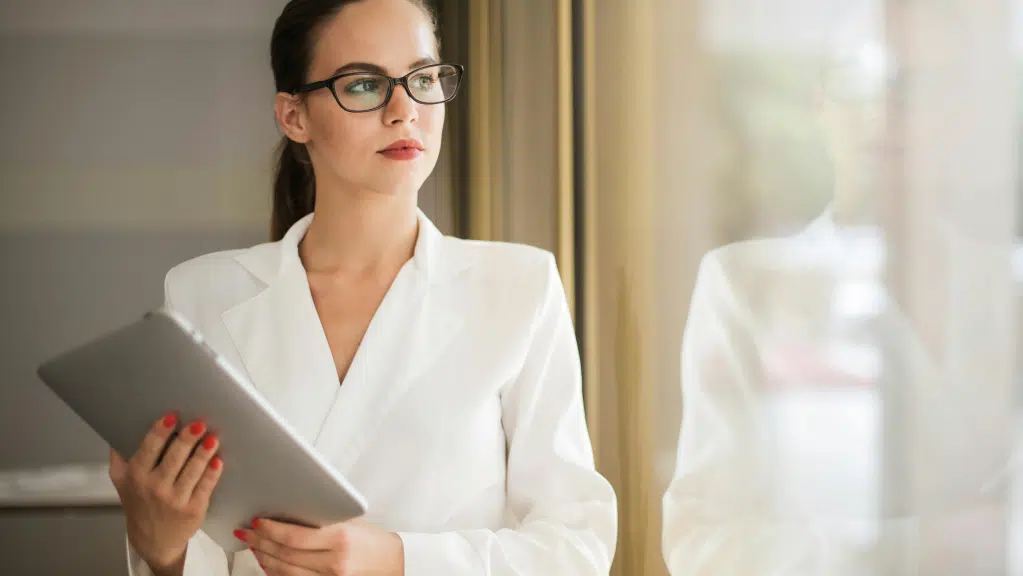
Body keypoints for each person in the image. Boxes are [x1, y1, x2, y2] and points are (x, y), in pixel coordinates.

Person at [107, 1, 618, 574]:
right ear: (294, 116)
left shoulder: (518, 288)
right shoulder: (204, 293)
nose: (405, 111)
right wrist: (162, 548)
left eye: (423, 79)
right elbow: (197, 546)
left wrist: (398, 559)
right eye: (365, 85)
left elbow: (576, 550)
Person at [661, 4, 1012, 574]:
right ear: (821, 106)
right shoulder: (744, 290)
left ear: (961, 114)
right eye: (858, 83)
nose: (883, 111)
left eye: (912, 86)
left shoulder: (1009, 290)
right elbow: (705, 545)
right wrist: (921, 548)